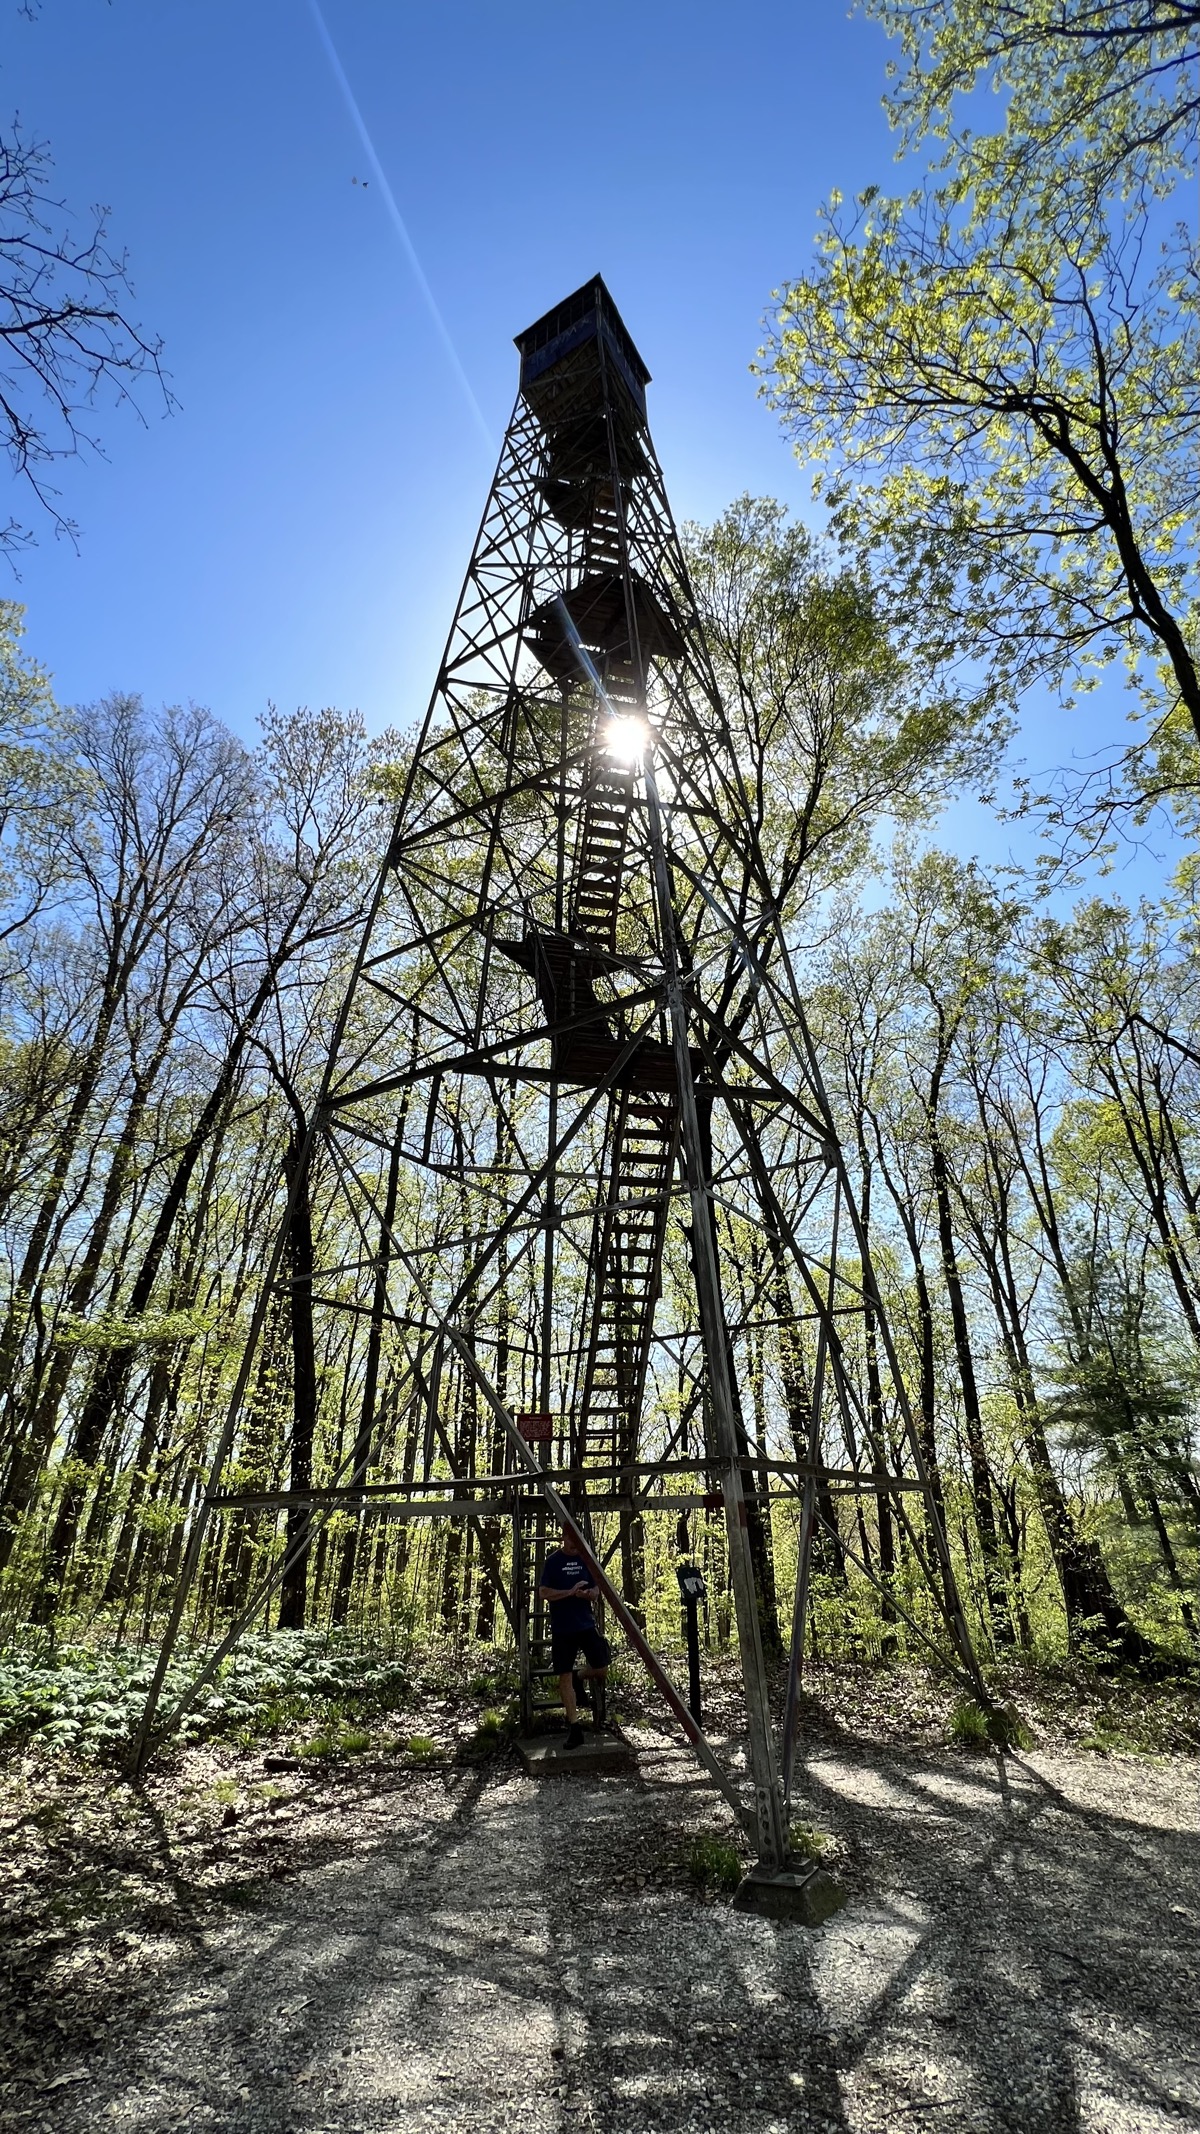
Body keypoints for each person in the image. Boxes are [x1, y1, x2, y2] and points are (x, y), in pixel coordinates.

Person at [538, 1523, 611, 1749]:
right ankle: (575, 1727)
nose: (574, 1545)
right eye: (571, 1540)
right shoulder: (553, 1562)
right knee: (564, 1676)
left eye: (578, 1541)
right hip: (562, 1628)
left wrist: (590, 1594)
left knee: (602, 1667)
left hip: (585, 1624)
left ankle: (581, 1677)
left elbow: (598, 1588)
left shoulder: (586, 1560)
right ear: (563, 1538)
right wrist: (568, 1593)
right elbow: (543, 1592)